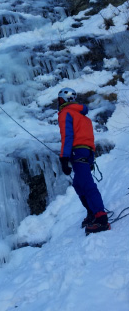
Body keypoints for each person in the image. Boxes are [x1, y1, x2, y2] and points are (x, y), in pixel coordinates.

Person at [58, 87, 111, 235]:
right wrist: (91, 159)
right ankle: (92, 213)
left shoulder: (65, 113)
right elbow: (90, 140)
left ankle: (101, 219)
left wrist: (64, 158)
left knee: (87, 185)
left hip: (77, 151)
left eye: (60, 99)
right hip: (86, 152)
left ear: (63, 100)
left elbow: (67, 137)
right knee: (78, 184)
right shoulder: (84, 118)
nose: (59, 102)